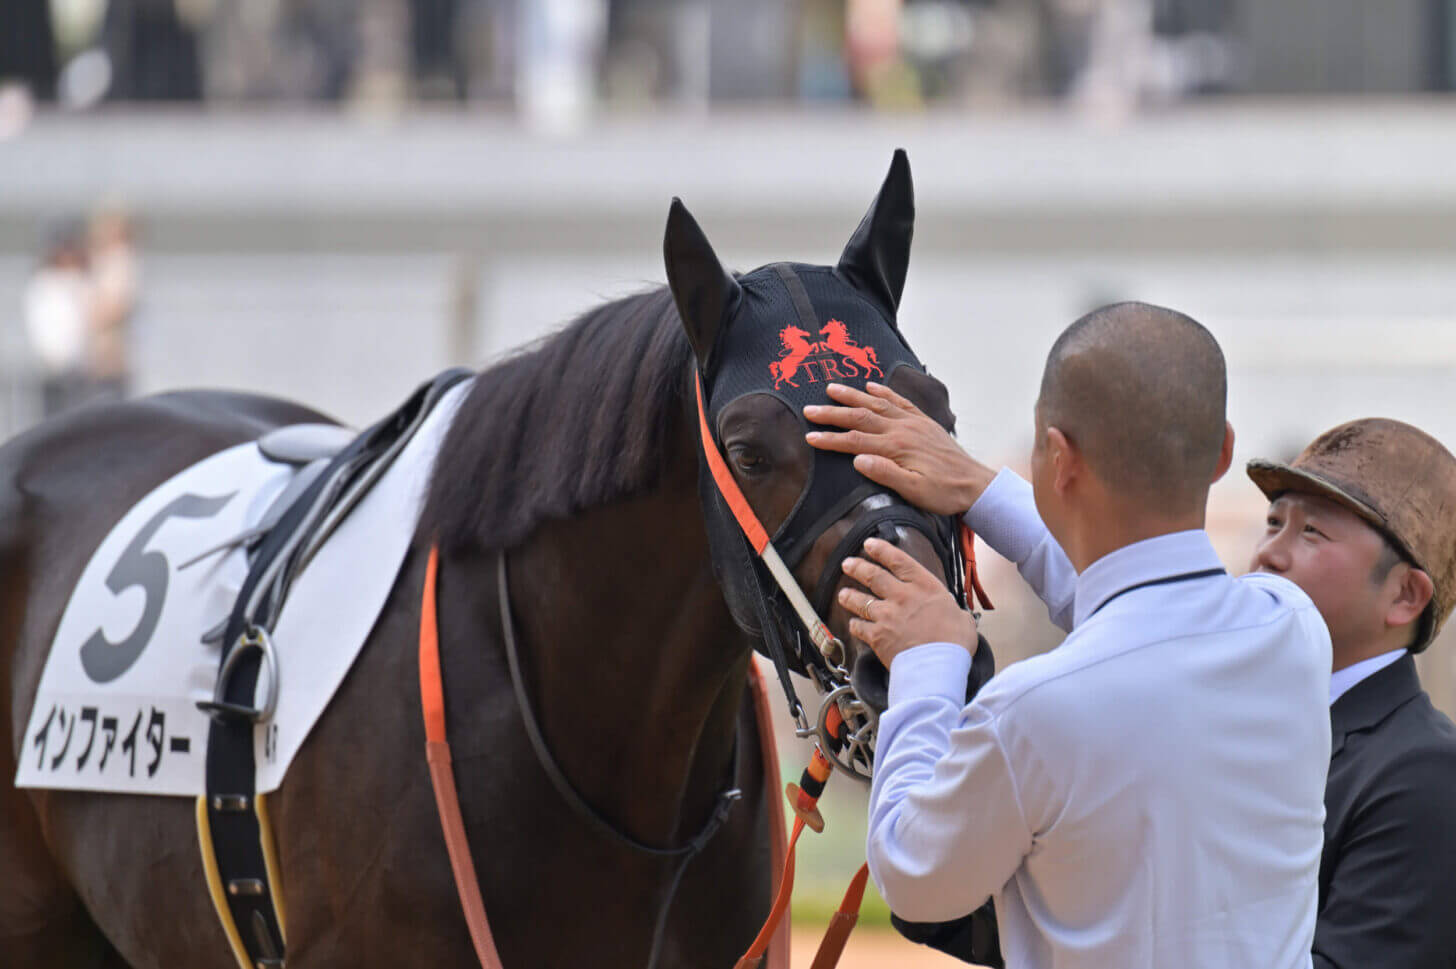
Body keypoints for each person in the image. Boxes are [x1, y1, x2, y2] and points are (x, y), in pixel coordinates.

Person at [803, 301, 1330, 968]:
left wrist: (926, 660)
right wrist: (979, 489)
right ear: (1224, 450)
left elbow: (913, 874)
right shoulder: (1294, 626)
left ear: (1057, 457)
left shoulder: (1030, 714)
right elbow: (1137, 610)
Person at [1247, 419, 1456, 969]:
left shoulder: (1427, 771)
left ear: (1405, 595)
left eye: (1311, 532)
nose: (1269, 555)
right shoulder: (1243, 724)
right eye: (1272, 524)